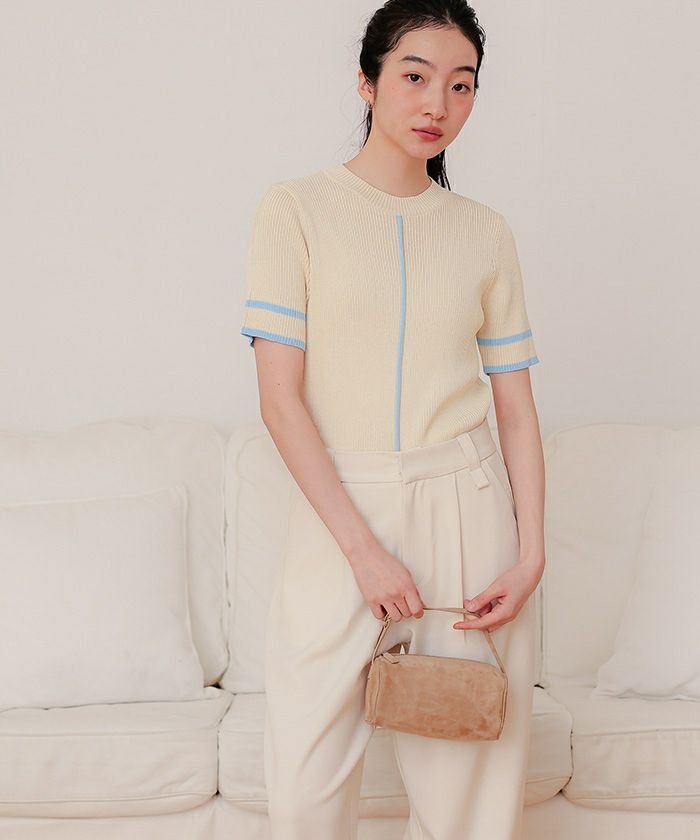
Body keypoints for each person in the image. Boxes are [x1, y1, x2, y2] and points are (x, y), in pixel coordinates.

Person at [239, 1, 546, 837]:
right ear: (367, 82)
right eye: (415, 76)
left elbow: (516, 411)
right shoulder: (295, 209)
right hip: (341, 509)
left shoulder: (484, 232)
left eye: (461, 84)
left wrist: (530, 556)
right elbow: (279, 400)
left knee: (468, 790)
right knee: (306, 788)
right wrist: (363, 551)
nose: (437, 103)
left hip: (467, 509)